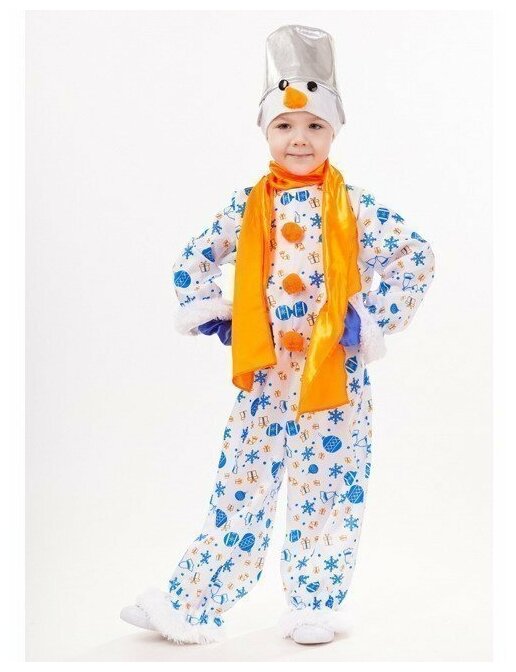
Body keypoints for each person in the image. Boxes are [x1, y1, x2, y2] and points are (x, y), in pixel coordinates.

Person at [120, 24, 435, 646]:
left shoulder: (356, 207)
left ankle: (315, 604)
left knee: (327, 490)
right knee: (240, 487)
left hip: (334, 379)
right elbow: (193, 259)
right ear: (265, 131)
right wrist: (214, 310)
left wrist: (369, 317)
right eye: (285, 125)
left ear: (334, 132)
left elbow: (415, 256)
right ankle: (191, 604)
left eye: (315, 125)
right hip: (265, 379)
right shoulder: (247, 206)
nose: (299, 138)